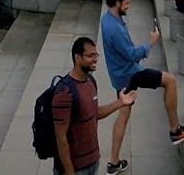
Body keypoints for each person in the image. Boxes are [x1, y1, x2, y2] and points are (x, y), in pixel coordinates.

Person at [101, 0, 184, 165]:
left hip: (120, 74)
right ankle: (175, 131)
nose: (129, 6)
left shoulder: (107, 18)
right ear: (117, 3)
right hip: (129, 73)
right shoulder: (115, 28)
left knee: (123, 115)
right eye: (127, 3)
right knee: (170, 81)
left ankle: (113, 163)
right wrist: (150, 43)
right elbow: (132, 55)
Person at [52, 36, 137, 175]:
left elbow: (93, 113)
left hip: (92, 161)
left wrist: (120, 102)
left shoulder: (90, 82)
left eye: (96, 54)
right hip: (75, 168)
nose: (95, 58)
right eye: (90, 55)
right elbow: (60, 138)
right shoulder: (64, 93)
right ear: (77, 57)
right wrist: (69, 172)